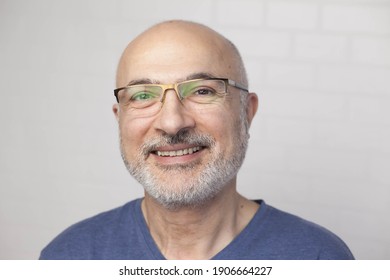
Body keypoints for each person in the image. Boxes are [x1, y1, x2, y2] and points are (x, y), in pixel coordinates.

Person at [40, 20, 354, 260]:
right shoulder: (69, 256)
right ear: (119, 119)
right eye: (143, 96)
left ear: (247, 112)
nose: (172, 122)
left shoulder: (319, 258)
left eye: (202, 90)